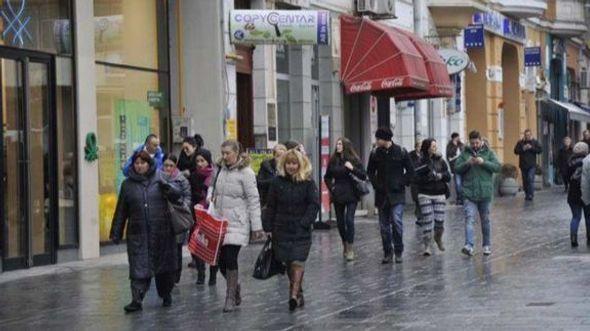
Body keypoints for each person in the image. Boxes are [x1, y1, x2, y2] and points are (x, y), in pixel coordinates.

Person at [110, 151, 179, 312]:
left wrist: (168, 188)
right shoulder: (127, 185)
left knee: (164, 268)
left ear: (149, 164)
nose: (139, 166)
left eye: (142, 163)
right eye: (136, 163)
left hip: (162, 232)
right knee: (138, 267)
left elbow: (178, 195)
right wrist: (116, 232)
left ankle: (166, 294)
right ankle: (136, 299)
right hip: (137, 233)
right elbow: (121, 210)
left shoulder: (161, 178)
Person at [209, 140, 264, 312]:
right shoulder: (220, 170)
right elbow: (215, 193)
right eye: (222, 153)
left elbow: (254, 200)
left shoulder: (246, 173)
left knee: (231, 258)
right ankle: (235, 286)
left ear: (236, 152)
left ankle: (230, 298)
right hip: (220, 222)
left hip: (237, 223)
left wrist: (256, 227)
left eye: (228, 153)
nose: (224, 156)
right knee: (220, 262)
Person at [263, 149, 320, 311]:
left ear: (300, 164)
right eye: (288, 163)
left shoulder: (308, 182)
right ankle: (298, 291)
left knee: (297, 260)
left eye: (294, 163)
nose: (291, 166)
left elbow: (313, 204)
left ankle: (293, 295)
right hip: (281, 228)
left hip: (300, 229)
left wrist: (305, 222)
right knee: (288, 262)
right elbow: (271, 205)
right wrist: (268, 226)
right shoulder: (277, 182)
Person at [367, 127, 414, 264]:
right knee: (383, 227)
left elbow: (411, 170)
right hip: (382, 195)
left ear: (385, 139)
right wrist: (376, 184)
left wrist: (402, 182)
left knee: (396, 221)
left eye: (378, 139)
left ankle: (399, 250)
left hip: (397, 194)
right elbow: (370, 172)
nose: (376, 141)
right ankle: (388, 251)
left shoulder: (401, 152)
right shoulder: (375, 153)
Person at [455, 130, 501, 256]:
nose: (475, 145)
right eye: (472, 143)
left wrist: (483, 162)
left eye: (477, 142)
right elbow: (457, 169)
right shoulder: (465, 154)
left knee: (485, 220)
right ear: (469, 142)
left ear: (481, 141)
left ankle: (486, 245)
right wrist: (467, 163)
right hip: (469, 192)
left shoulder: (489, 152)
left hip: (485, 192)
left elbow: (497, 167)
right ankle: (469, 245)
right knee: (469, 218)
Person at [323, 138, 367, 261]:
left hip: (351, 193)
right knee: (340, 223)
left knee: (349, 220)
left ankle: (350, 248)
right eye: (337, 144)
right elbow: (327, 177)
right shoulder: (333, 160)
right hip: (338, 194)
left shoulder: (354, 160)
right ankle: (344, 243)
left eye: (340, 144)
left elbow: (363, 175)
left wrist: (352, 168)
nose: (338, 146)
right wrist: (332, 188)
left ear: (346, 146)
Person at [414, 139, 451, 256]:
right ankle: (427, 245)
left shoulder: (440, 160)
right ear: (427, 147)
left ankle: (438, 238)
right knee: (427, 220)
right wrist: (427, 177)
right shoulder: (420, 161)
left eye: (436, 145)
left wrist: (440, 176)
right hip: (424, 194)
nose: (435, 148)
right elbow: (415, 177)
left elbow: (448, 176)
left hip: (439, 193)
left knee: (440, 221)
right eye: (433, 146)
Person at [159, 154, 191, 285]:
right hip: (162, 217)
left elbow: (187, 197)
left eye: (171, 165)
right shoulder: (157, 178)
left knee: (177, 248)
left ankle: (176, 275)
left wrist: (182, 208)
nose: (168, 168)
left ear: (175, 166)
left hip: (177, 217)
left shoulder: (181, 179)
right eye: (166, 165)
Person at [188, 148, 219, 285]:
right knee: (197, 244)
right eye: (198, 161)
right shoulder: (193, 176)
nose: (200, 164)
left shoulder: (215, 175)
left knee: (213, 245)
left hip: (213, 213)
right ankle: (201, 274)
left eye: (202, 161)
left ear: (208, 161)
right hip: (198, 213)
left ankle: (213, 275)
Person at [566, 142, 589, 247]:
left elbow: (566, 177)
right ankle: (589, 237)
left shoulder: (570, 161)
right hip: (586, 192)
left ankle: (573, 239)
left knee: (576, 217)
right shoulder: (587, 161)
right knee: (588, 217)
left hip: (573, 193)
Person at [514, 129, 542, 201]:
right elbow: (516, 151)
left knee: (530, 179)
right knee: (525, 181)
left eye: (529, 135)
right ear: (524, 135)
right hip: (523, 165)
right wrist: (523, 148)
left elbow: (539, 150)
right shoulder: (520, 142)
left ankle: (531, 195)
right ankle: (527, 194)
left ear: (531, 135)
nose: (527, 136)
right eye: (526, 135)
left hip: (532, 165)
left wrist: (531, 148)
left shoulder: (535, 142)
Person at [446, 132, 464, 205]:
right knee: (458, 184)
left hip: (463, 166)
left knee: (463, 183)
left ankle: (463, 199)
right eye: (457, 137)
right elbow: (449, 156)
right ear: (454, 137)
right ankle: (459, 199)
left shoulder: (461, 144)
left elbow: (464, 152)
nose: (458, 138)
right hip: (455, 167)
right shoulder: (450, 145)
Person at [409, 140, 422, 225]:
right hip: (414, 180)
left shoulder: (424, 155)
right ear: (416, 147)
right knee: (417, 200)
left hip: (422, 180)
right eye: (419, 146)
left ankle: (422, 216)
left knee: (421, 199)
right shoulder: (411, 155)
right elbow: (410, 166)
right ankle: (419, 217)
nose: (420, 148)